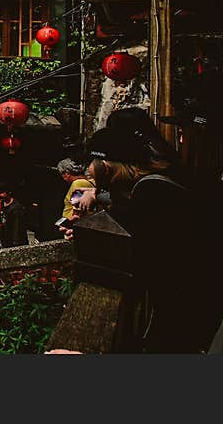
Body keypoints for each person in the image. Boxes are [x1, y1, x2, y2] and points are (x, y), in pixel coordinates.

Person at [84, 112, 220, 352]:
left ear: (105, 165)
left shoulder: (151, 193)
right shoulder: (156, 183)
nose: (88, 171)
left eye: (90, 165)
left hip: (186, 302)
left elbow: (150, 256)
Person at [0, 178, 27, 248]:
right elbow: (3, 223)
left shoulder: (16, 209)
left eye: (1, 192)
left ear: (9, 192)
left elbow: (17, 235)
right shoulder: (3, 203)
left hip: (14, 246)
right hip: (5, 243)